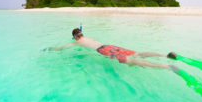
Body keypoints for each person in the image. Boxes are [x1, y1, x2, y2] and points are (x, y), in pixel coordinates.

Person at [49, 28, 179, 72]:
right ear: (82, 33)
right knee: (137, 53)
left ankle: (165, 66)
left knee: (131, 61)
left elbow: (62, 48)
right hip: (109, 46)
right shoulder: (89, 37)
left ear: (75, 37)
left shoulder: (77, 42)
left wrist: (51, 48)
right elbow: (91, 42)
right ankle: (166, 56)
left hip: (103, 51)